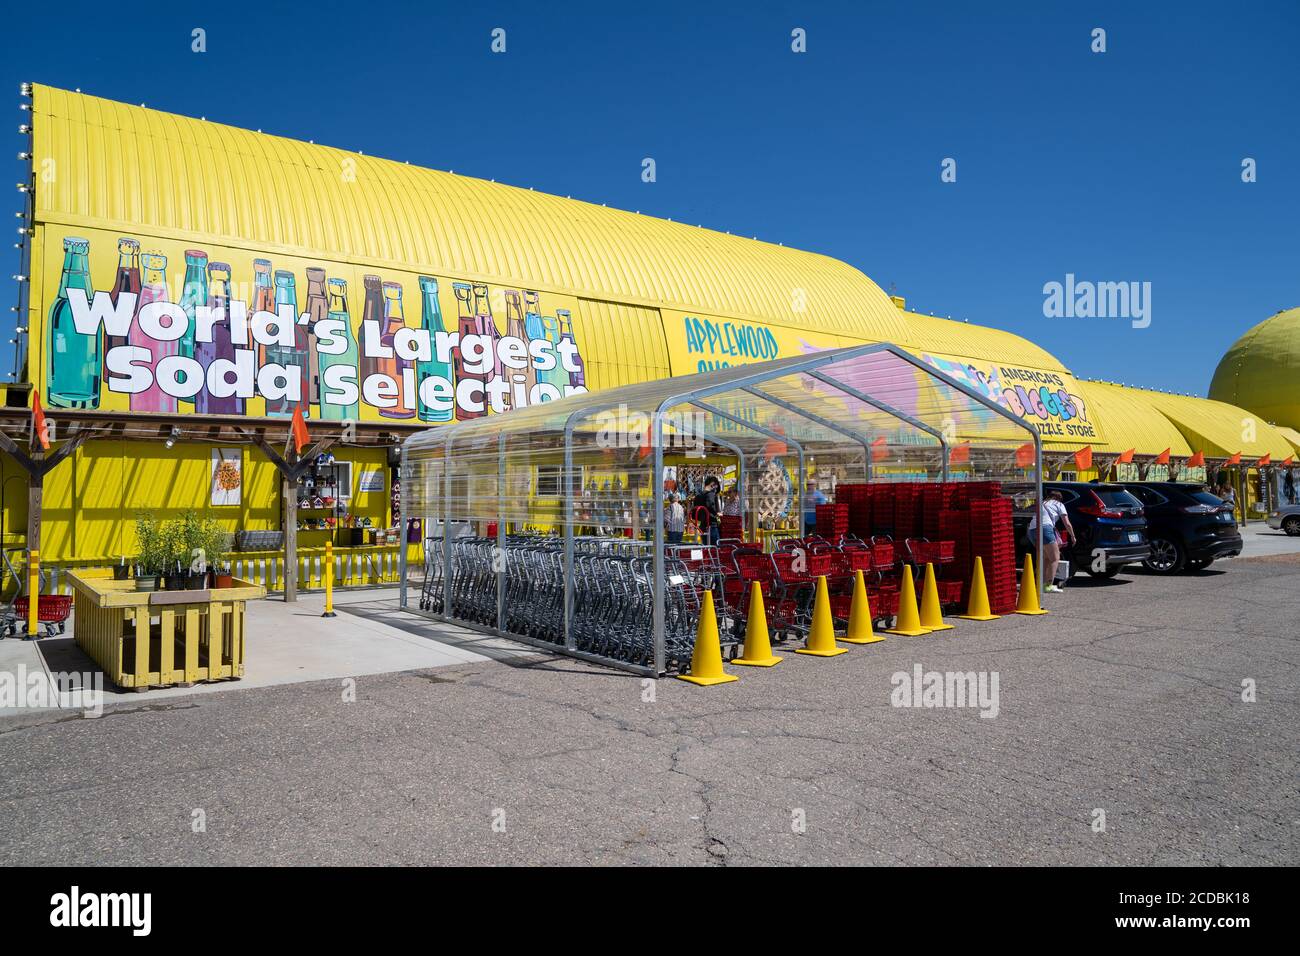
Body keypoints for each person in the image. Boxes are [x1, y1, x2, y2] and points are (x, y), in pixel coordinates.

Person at [1028, 489, 1073, 593]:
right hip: (1045, 528)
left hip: (1032, 530)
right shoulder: (1059, 504)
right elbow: (1067, 523)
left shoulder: (1042, 503)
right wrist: (1073, 536)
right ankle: (1048, 585)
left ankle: (1040, 585)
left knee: (1045, 558)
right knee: (1055, 558)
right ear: (1059, 498)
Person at [692, 475, 722, 546]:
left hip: (702, 524)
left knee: (706, 546)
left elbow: (695, 508)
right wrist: (717, 513)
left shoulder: (698, 495)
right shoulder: (710, 494)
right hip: (711, 523)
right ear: (713, 484)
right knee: (716, 547)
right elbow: (710, 505)